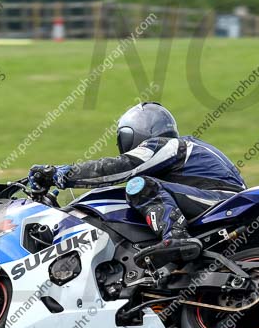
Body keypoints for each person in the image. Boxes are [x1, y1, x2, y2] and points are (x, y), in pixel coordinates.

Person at [28, 102, 246, 265]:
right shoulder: (186, 151)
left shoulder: (167, 145)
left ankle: (176, 236)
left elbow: (120, 167)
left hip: (222, 201)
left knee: (139, 185)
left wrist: (62, 174)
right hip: (221, 205)